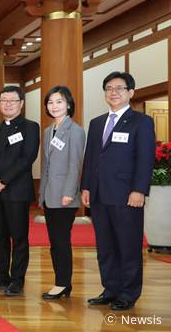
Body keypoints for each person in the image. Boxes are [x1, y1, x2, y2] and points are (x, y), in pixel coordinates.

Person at [81, 72, 154, 311]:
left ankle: (128, 293)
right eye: (109, 88)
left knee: (128, 245)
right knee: (105, 245)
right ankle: (110, 288)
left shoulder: (141, 122)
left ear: (131, 92)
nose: (113, 92)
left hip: (126, 195)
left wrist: (139, 190)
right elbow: (91, 158)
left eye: (120, 88)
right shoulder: (97, 122)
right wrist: (86, 186)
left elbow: (145, 159)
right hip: (100, 195)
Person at [0, 86, 39, 297]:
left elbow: (27, 157)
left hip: (17, 191)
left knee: (19, 237)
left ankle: (17, 280)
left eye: (12, 101)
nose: (7, 104)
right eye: (4, 100)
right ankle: (0, 276)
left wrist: (3, 179)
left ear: (21, 104)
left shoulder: (30, 127)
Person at [39, 86, 85, 300]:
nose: (54, 106)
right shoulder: (49, 131)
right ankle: (61, 282)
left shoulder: (75, 131)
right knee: (55, 242)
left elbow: (75, 165)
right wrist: (41, 194)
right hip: (50, 195)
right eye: (50, 102)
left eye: (59, 101)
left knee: (61, 242)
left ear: (68, 104)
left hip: (65, 197)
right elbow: (46, 167)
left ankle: (63, 283)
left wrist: (69, 193)